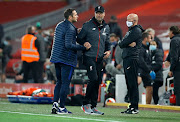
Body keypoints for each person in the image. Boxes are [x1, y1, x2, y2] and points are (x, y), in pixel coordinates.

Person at [50, 8, 91, 114]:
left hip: (56, 57)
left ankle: (55, 104)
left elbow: (63, 38)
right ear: (70, 17)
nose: (77, 16)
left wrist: (75, 33)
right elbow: (68, 45)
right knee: (65, 83)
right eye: (75, 14)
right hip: (66, 60)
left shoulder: (59, 25)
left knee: (59, 82)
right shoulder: (70, 28)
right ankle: (62, 107)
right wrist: (83, 47)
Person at [77, 5, 111, 115]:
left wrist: (108, 51)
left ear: (104, 14)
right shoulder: (87, 25)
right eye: (97, 13)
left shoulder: (107, 27)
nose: (99, 14)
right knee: (93, 78)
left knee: (98, 81)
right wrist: (84, 43)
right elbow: (79, 38)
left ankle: (93, 106)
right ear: (95, 14)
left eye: (101, 13)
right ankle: (85, 104)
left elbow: (107, 42)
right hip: (89, 56)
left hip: (100, 58)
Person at [119, 13, 144, 114]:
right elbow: (123, 43)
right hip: (128, 58)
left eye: (129, 20)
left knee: (132, 83)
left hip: (131, 58)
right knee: (129, 83)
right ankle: (131, 105)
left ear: (135, 21)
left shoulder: (136, 31)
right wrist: (124, 43)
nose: (127, 21)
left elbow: (122, 43)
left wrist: (124, 43)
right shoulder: (131, 31)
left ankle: (135, 107)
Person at [165, 26, 180, 106]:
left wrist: (171, 69)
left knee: (178, 90)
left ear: (172, 32)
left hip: (178, 69)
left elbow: (174, 57)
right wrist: (167, 59)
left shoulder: (174, 41)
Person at [139, 32, 153, 104]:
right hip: (141, 70)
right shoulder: (140, 48)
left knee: (150, 87)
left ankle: (148, 105)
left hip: (146, 70)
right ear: (145, 38)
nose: (151, 40)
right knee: (136, 83)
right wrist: (149, 69)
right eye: (150, 38)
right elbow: (141, 61)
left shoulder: (147, 48)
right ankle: (129, 98)